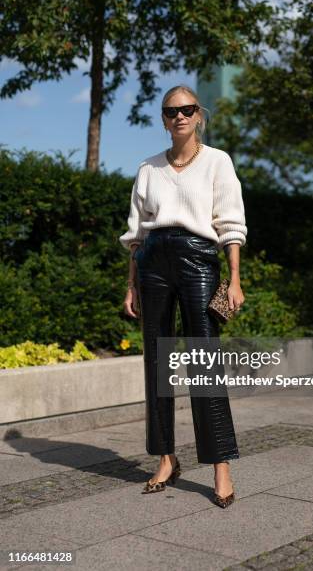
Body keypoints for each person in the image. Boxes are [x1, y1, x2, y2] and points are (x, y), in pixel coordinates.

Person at [119, 84, 247, 508]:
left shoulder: (216, 161)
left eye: (187, 109)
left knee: (204, 360)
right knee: (156, 360)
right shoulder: (148, 169)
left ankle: (221, 467)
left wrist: (233, 280)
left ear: (198, 115)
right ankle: (166, 459)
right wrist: (131, 283)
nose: (180, 116)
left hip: (197, 260)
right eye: (172, 111)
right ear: (164, 118)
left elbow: (230, 224)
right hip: (153, 261)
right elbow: (136, 234)